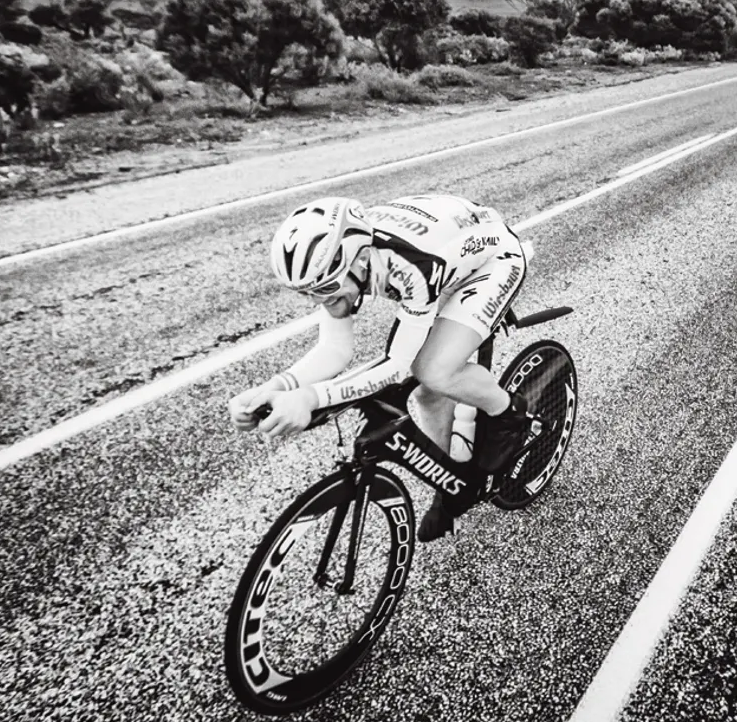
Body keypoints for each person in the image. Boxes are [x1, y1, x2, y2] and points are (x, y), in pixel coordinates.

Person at [228, 193, 534, 542]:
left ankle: (510, 414)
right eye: (307, 293)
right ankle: (448, 482)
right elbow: (334, 349)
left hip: (492, 261)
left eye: (326, 288)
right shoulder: (341, 265)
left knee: (432, 370)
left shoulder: (408, 267)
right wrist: (276, 389)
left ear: (359, 260)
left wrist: (310, 398)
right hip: (447, 252)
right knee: (428, 396)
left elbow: (395, 367)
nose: (319, 301)